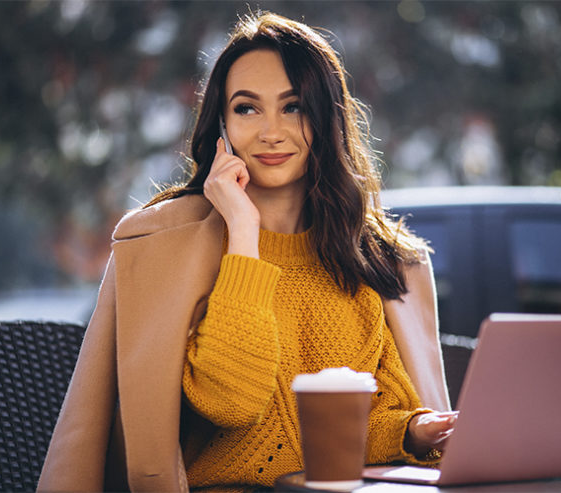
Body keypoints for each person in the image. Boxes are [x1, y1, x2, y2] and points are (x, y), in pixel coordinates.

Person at [38, 12, 455, 492]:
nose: (271, 132)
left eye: (293, 106)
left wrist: (411, 431)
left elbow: (341, 432)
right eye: (247, 108)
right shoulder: (163, 244)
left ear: (327, 117)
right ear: (221, 123)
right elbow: (231, 402)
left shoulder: (369, 256)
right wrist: (242, 230)